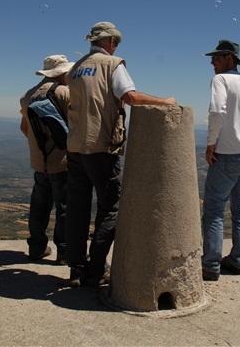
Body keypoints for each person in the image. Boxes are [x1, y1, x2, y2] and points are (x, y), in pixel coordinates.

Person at [65, 21, 178, 287]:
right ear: (111, 42)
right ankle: (95, 272)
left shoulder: (76, 68)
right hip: (101, 146)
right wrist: (165, 102)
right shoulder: (113, 65)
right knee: (110, 209)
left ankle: (76, 267)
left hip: (74, 147)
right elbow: (130, 97)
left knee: (78, 209)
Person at [201, 40, 240, 281]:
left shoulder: (221, 80)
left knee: (214, 210)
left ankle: (211, 265)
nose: (212, 62)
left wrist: (210, 144)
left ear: (229, 58)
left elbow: (217, 111)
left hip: (225, 154)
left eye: (216, 57)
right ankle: (238, 261)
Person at [20, 54, 74, 264]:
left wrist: (39, 148)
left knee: (39, 205)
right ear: (62, 73)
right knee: (64, 207)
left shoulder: (28, 96)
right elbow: (74, 127)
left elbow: (24, 128)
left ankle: (36, 248)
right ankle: (63, 253)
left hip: (38, 161)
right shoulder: (64, 93)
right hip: (61, 161)